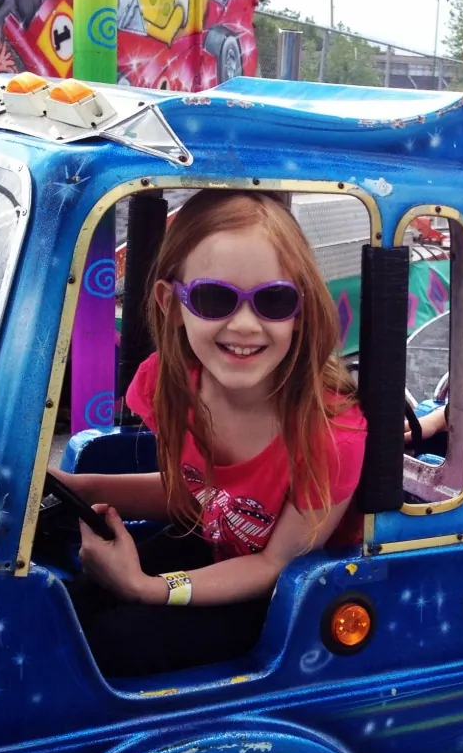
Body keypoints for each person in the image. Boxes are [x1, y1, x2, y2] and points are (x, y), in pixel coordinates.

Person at [54, 190, 367, 676]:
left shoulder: (331, 435)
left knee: (118, 642)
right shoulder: (167, 384)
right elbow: (201, 498)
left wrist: (147, 588)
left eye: (274, 301)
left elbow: (271, 567)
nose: (244, 324)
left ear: (301, 310)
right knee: (72, 603)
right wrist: (80, 489)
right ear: (171, 302)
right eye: (213, 298)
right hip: (216, 542)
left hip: (288, 601)